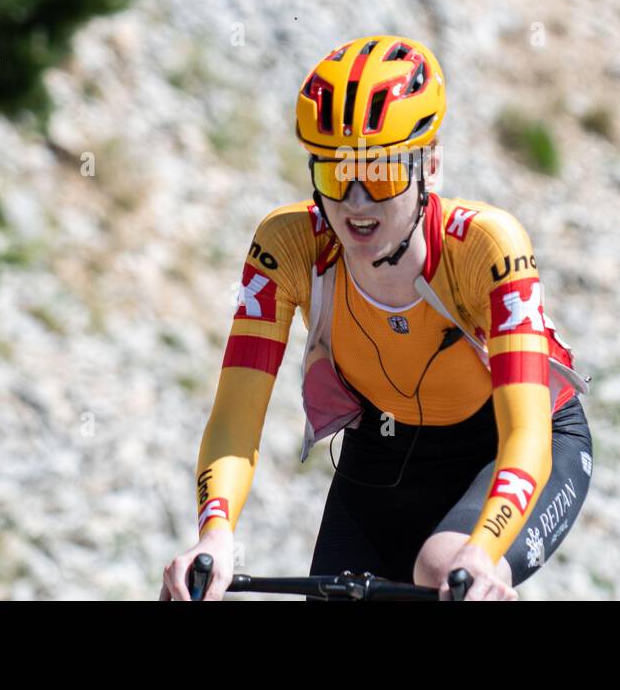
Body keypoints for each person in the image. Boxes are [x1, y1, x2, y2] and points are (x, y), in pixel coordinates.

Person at [160, 34, 592, 601]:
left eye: (382, 173)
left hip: (514, 446)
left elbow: (526, 432)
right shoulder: (286, 245)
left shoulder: (485, 246)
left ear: (429, 167)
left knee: (446, 571)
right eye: (337, 175)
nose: (356, 203)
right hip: (384, 449)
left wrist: (483, 553)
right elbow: (237, 416)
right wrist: (215, 534)